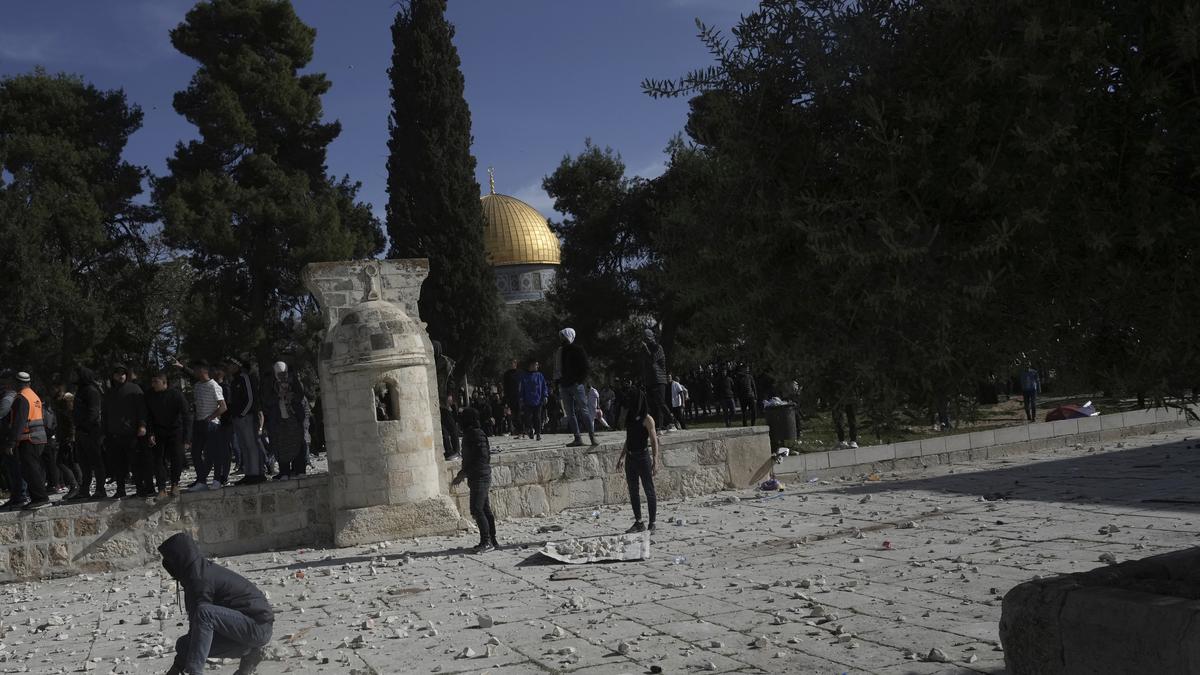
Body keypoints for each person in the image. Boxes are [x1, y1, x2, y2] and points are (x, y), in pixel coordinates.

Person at [159, 532, 273, 675]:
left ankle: (195, 672)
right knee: (184, 645)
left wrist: (189, 665)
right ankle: (250, 655)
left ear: (179, 559)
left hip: (257, 627)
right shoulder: (197, 573)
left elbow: (200, 619)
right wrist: (176, 668)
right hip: (247, 630)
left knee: (204, 613)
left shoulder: (199, 579)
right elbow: (197, 631)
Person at [450, 408, 498, 553]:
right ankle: (492, 540)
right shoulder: (475, 433)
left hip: (480, 476)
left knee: (477, 509)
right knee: (484, 508)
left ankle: (487, 541)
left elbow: (478, 457)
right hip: (478, 474)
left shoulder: (475, 434)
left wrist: (462, 474)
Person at [2, 372, 51, 510]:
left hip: (28, 438)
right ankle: (38, 497)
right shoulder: (33, 395)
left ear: (17, 383)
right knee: (33, 468)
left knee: (30, 470)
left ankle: (40, 498)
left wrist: (11, 442)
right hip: (39, 437)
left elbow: (19, 422)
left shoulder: (21, 398)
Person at [615, 387, 660, 533]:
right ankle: (639, 522)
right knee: (633, 490)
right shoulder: (630, 417)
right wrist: (622, 457)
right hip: (631, 457)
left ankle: (652, 523)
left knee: (649, 490)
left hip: (643, 457)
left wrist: (655, 459)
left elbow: (653, 440)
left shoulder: (647, 419)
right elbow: (629, 439)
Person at [102, 364, 146, 499]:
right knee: (118, 464)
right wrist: (105, 431)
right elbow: (105, 413)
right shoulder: (110, 392)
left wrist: (142, 425)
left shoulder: (134, 389)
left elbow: (142, 409)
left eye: (123, 373)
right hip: (115, 433)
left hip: (131, 432)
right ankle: (120, 489)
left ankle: (140, 488)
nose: (120, 376)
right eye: (117, 374)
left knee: (135, 462)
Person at [146, 372, 193, 497]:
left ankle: (175, 484)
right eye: (152, 382)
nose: (153, 385)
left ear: (164, 383)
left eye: (156, 382)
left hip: (175, 430)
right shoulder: (150, 395)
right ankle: (161, 487)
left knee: (176, 458)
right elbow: (148, 416)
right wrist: (150, 433)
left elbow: (186, 415)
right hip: (158, 431)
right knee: (158, 460)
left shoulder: (176, 395)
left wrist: (187, 438)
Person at [185, 360, 228, 492]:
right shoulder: (197, 386)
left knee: (214, 453)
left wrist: (210, 418)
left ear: (204, 370)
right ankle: (201, 481)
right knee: (196, 452)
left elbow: (223, 407)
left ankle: (216, 480)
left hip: (211, 424)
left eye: (197, 369)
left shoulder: (214, 386)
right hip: (198, 423)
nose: (195, 372)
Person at [262, 361, 308, 480]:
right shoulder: (270, 382)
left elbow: (300, 395)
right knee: (281, 445)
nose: (282, 376)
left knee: (298, 443)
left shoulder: (293, 380)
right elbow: (266, 400)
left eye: (284, 373)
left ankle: (300, 470)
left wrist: (292, 396)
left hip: (294, 417)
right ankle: (285, 472)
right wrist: (278, 396)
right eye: (279, 373)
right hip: (279, 419)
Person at [222, 357, 264, 485]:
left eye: (230, 364)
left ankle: (257, 473)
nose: (228, 367)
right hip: (238, 418)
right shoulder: (234, 381)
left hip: (247, 417)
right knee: (244, 446)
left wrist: (243, 413)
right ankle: (249, 473)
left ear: (237, 365)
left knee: (251, 445)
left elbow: (251, 398)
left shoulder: (245, 378)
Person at [556, 328, 597, 447]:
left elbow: (586, 367)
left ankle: (592, 437)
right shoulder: (561, 351)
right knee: (569, 413)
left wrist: (579, 381)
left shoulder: (578, 350)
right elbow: (558, 369)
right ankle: (577, 438)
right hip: (564, 385)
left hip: (576, 385)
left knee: (584, 411)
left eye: (564, 336)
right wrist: (558, 382)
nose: (562, 339)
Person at [71, 367, 105, 500]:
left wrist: (85, 427)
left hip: (90, 431)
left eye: (77, 374)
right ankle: (84, 490)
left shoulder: (91, 391)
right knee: (83, 463)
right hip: (81, 431)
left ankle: (100, 490)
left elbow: (93, 412)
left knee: (96, 461)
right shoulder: (81, 390)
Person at [0, 372, 28, 509]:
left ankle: (19, 495)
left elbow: (3, 416)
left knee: (14, 468)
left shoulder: (7, 398)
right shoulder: (12, 397)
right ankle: (17, 495)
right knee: (13, 468)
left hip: (8, 437)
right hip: (10, 437)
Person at [640, 329, 672, 434]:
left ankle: (672, 422)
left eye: (646, 337)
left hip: (659, 379)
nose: (644, 340)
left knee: (661, 403)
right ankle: (658, 426)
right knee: (652, 405)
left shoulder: (658, 347)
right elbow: (645, 366)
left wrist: (645, 349)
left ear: (650, 337)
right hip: (649, 380)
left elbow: (652, 360)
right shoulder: (646, 349)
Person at [519, 359, 548, 440]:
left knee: (537, 417)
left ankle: (538, 433)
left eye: (537, 365)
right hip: (527, 401)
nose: (537, 366)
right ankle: (530, 430)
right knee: (528, 417)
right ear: (531, 366)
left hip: (538, 400)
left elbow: (544, 387)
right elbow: (522, 388)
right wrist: (521, 398)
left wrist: (545, 396)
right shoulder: (524, 376)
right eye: (536, 364)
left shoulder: (540, 375)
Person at [502, 359, 522, 438]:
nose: (511, 364)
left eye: (513, 363)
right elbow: (505, 386)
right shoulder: (506, 374)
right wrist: (505, 398)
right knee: (513, 415)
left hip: (519, 397)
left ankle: (522, 430)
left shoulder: (520, 373)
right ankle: (518, 431)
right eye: (510, 363)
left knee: (519, 414)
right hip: (510, 397)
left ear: (516, 364)